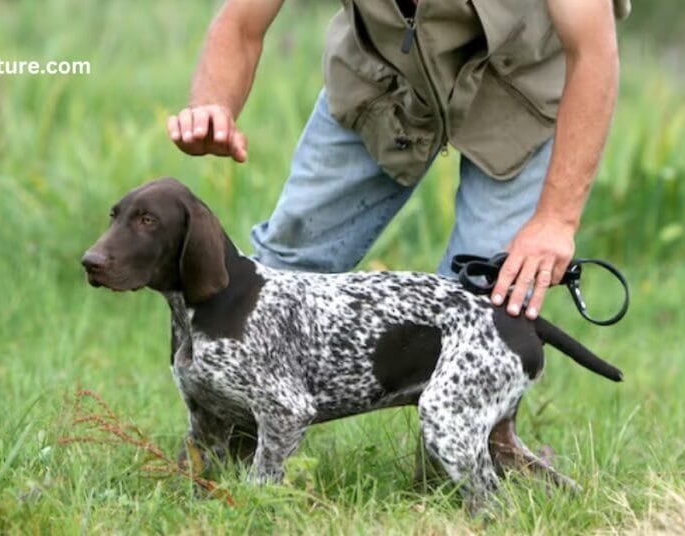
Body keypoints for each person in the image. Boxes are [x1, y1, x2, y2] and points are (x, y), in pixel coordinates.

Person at [167, 0, 629, 477]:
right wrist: (213, 105)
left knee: (486, 312)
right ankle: (229, 459)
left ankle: (493, 449)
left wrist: (556, 218)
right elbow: (242, 22)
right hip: (383, 79)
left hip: (522, 87)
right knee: (282, 271)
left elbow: (593, 51)